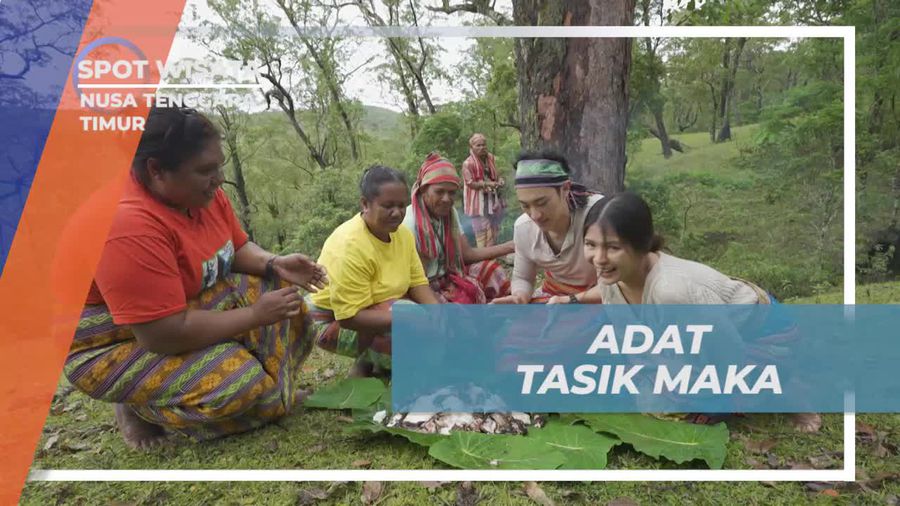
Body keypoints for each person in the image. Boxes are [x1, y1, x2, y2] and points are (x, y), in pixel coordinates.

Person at [64, 106, 328, 449]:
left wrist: (274, 263)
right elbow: (162, 334)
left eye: (218, 165)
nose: (218, 179)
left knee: (293, 310)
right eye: (205, 170)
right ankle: (141, 405)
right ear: (156, 170)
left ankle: (270, 396)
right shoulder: (127, 225)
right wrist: (254, 315)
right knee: (240, 386)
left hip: (185, 304)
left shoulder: (202, 194)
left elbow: (235, 246)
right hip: (114, 338)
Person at [569, 191, 822, 432]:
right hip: (699, 343)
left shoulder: (671, 291)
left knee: (677, 405)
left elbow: (727, 349)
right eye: (591, 244)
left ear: (642, 245)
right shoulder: (610, 279)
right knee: (647, 398)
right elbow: (634, 340)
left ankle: (785, 387)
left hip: (763, 336)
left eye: (613, 247)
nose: (599, 258)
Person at [307, 165, 439, 377]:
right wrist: (411, 319)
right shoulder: (350, 246)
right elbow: (348, 317)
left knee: (432, 311)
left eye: (401, 205)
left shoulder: (402, 235)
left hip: (376, 307)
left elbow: (417, 283)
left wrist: (439, 315)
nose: (397, 213)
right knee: (408, 318)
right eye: (388, 206)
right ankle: (375, 363)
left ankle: (369, 363)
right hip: (329, 319)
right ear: (365, 204)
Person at [491, 151, 604, 304]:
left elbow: (619, 282)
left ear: (565, 189)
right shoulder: (524, 227)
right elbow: (523, 277)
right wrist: (520, 296)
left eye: (542, 203)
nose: (535, 215)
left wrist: (570, 300)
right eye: (525, 205)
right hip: (554, 295)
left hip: (599, 296)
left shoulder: (599, 216)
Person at [403, 153, 514, 303]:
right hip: (422, 287)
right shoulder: (411, 224)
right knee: (463, 299)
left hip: (448, 275)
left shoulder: (449, 213)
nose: (446, 199)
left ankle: (505, 317)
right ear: (423, 190)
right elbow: (415, 282)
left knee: (492, 271)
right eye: (440, 192)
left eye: (451, 193)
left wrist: (510, 246)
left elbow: (466, 254)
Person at [462, 133, 506, 248]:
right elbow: (470, 183)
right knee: (481, 232)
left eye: (484, 145)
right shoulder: (468, 163)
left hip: (492, 200)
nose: (482, 148)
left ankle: (492, 256)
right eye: (478, 145)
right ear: (472, 147)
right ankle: (483, 259)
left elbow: (497, 174)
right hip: (477, 203)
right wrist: (487, 184)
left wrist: (500, 180)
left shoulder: (490, 158)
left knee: (494, 229)